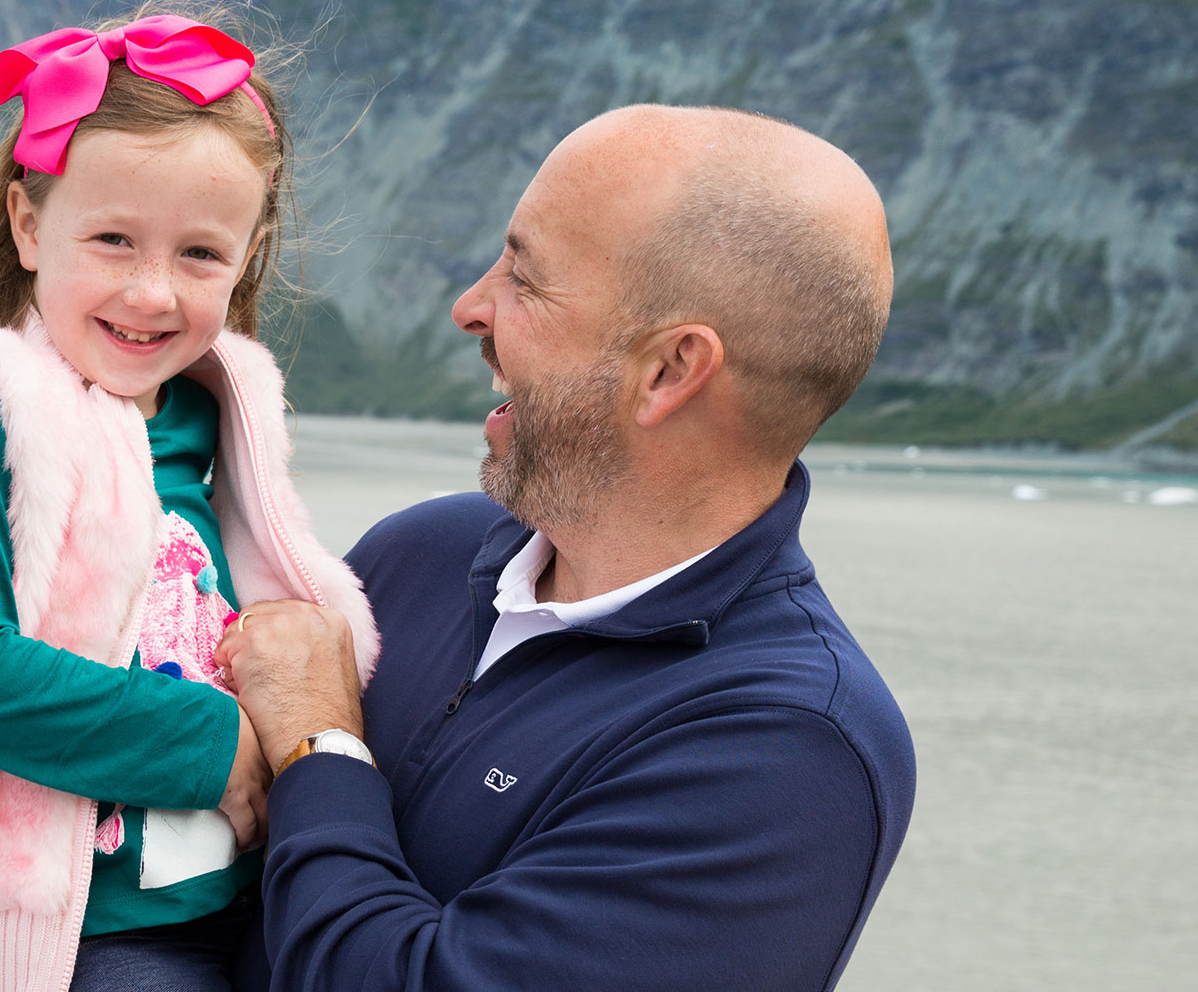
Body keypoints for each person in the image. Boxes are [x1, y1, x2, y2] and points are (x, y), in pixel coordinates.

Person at [216, 104, 918, 992]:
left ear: (670, 369)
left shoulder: (791, 749)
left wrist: (320, 743)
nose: (471, 307)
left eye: (526, 276)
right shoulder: (416, 553)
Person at [0, 4, 377, 992]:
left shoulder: (215, 409)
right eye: (112, 239)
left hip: (246, 889)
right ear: (29, 224)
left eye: (198, 255)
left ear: (246, 253)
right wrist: (220, 742)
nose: (152, 292)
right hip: (94, 928)